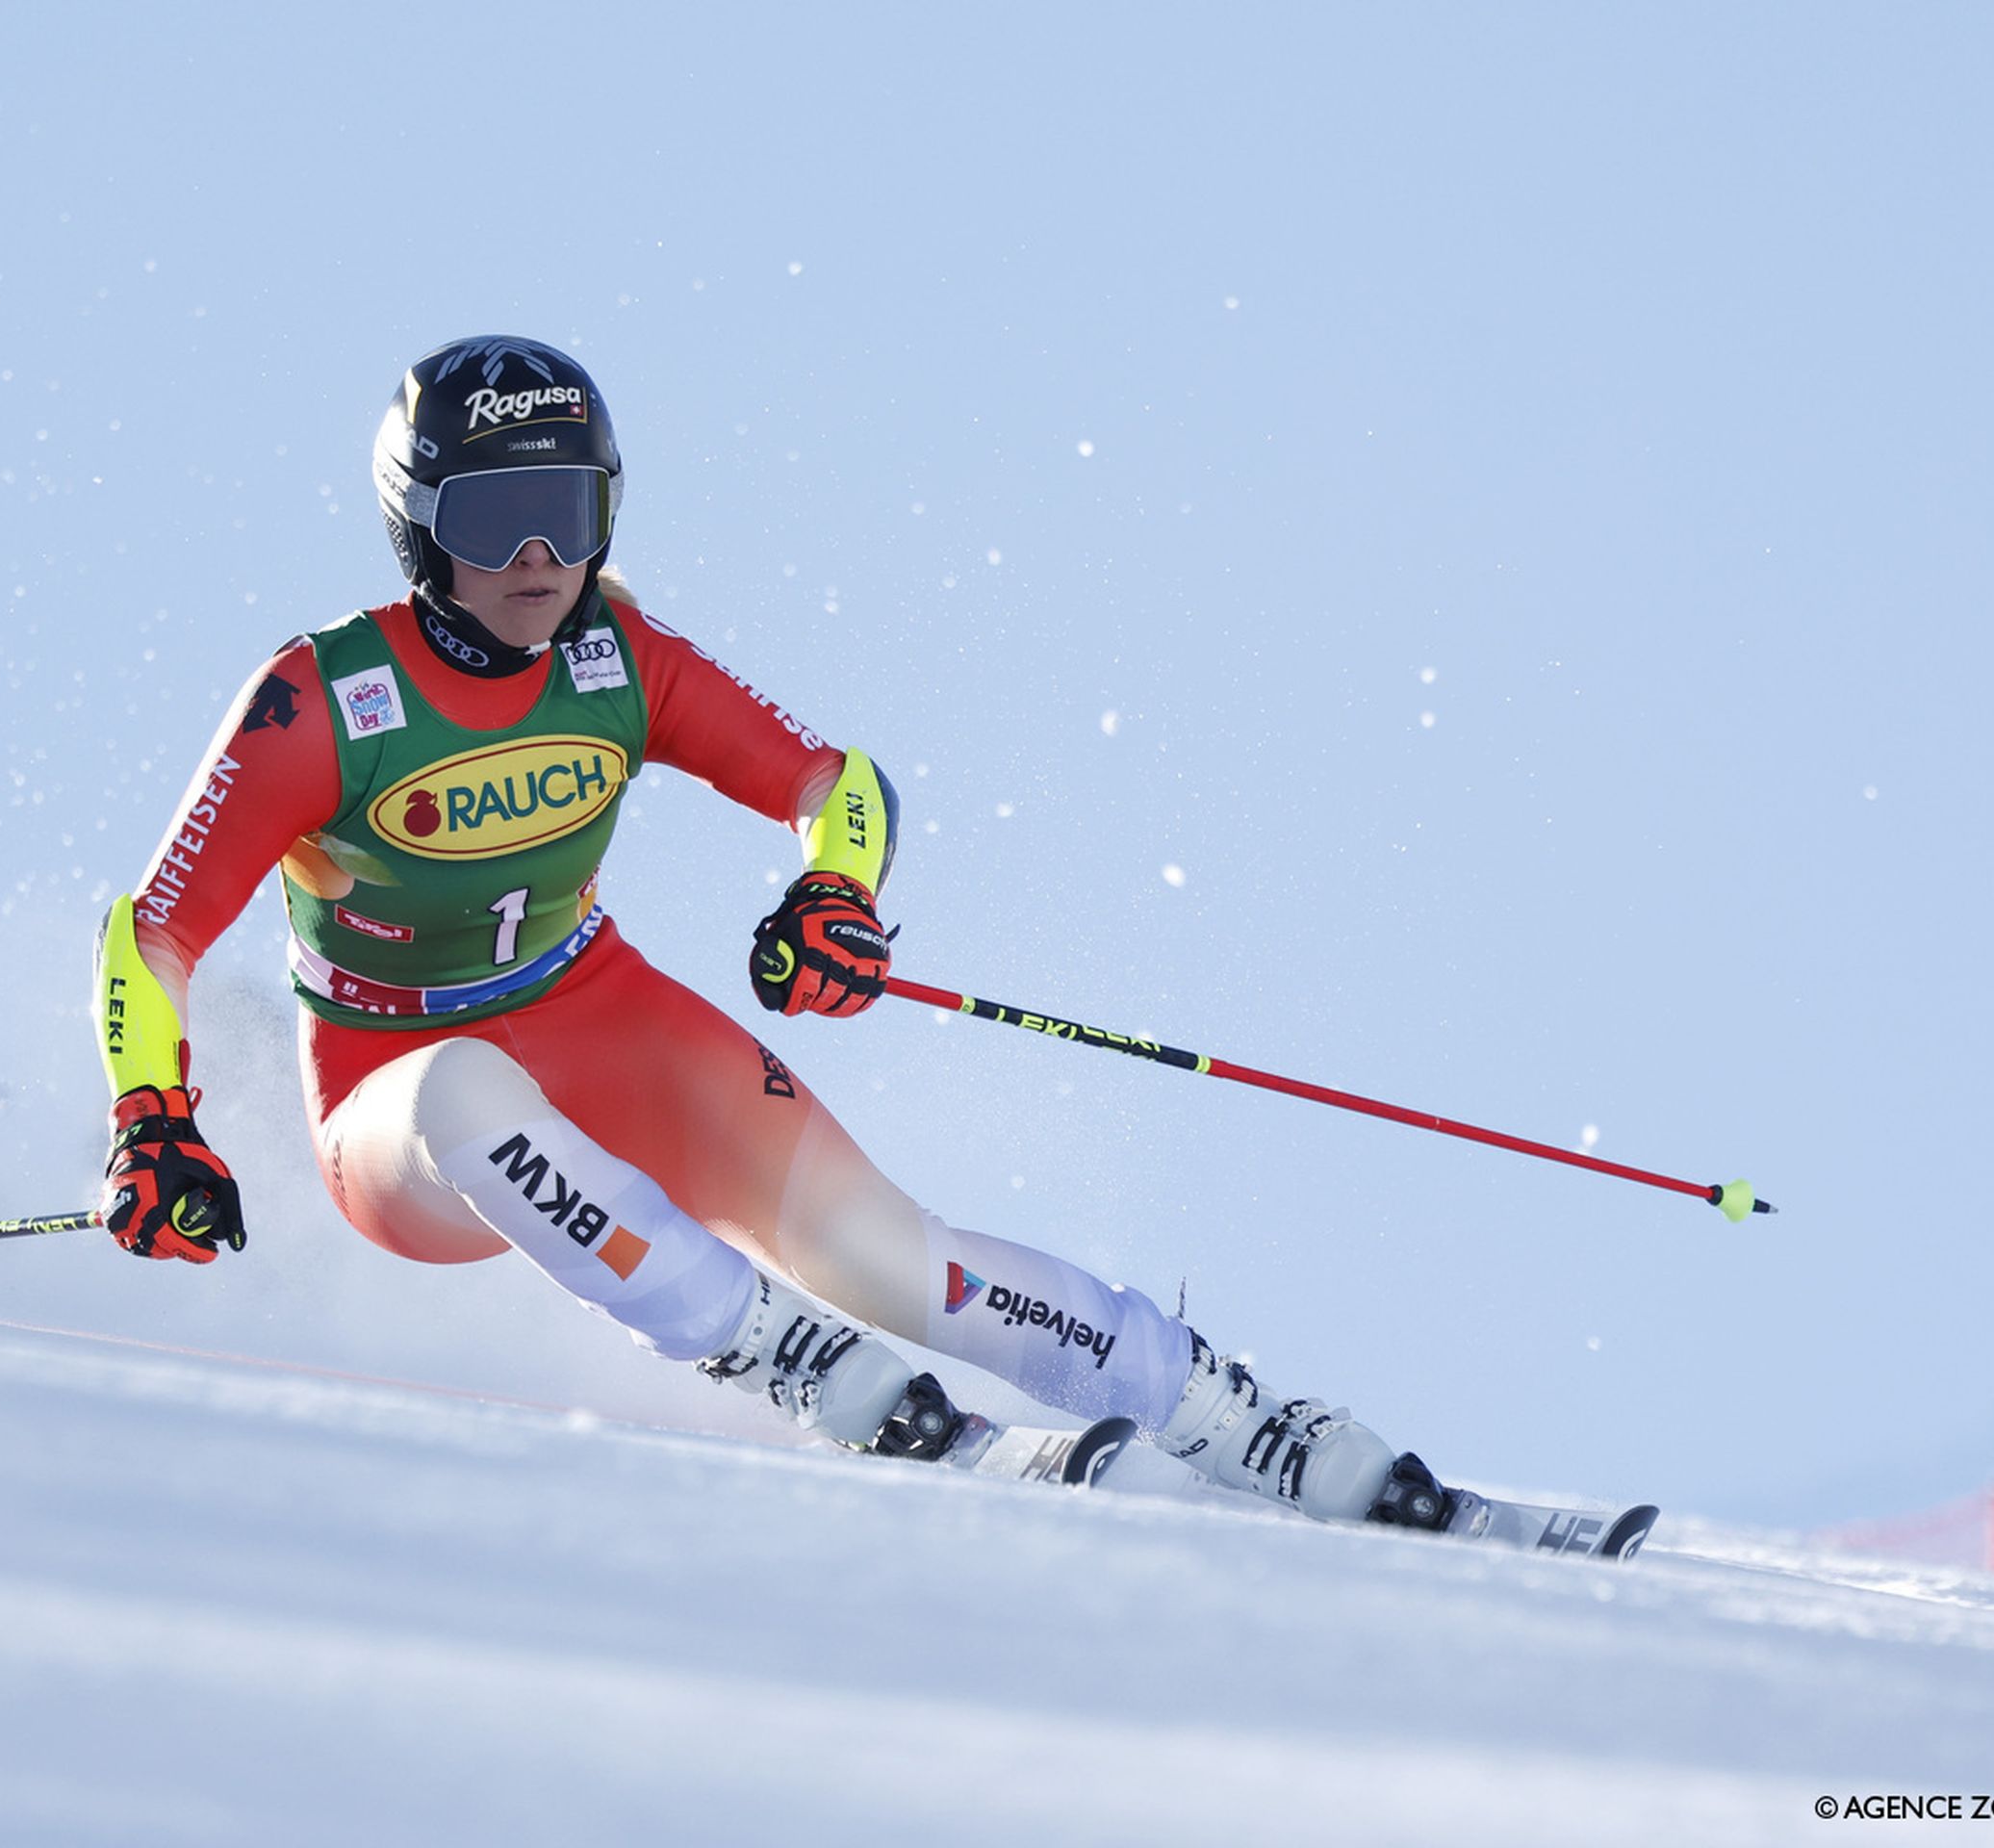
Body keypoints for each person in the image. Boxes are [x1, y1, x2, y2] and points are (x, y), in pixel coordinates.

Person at [89, 334, 1453, 1529]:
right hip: (394, 1105)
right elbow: (151, 933)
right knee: (466, 1089)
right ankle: (793, 1363)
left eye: (565, 512)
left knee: (889, 1255)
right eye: (495, 516)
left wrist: (834, 896)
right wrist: (150, 1115)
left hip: (599, 1018)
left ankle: (1243, 1422)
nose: (537, 559)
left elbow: (833, 783)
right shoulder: (323, 698)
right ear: (417, 528)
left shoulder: (618, 657)